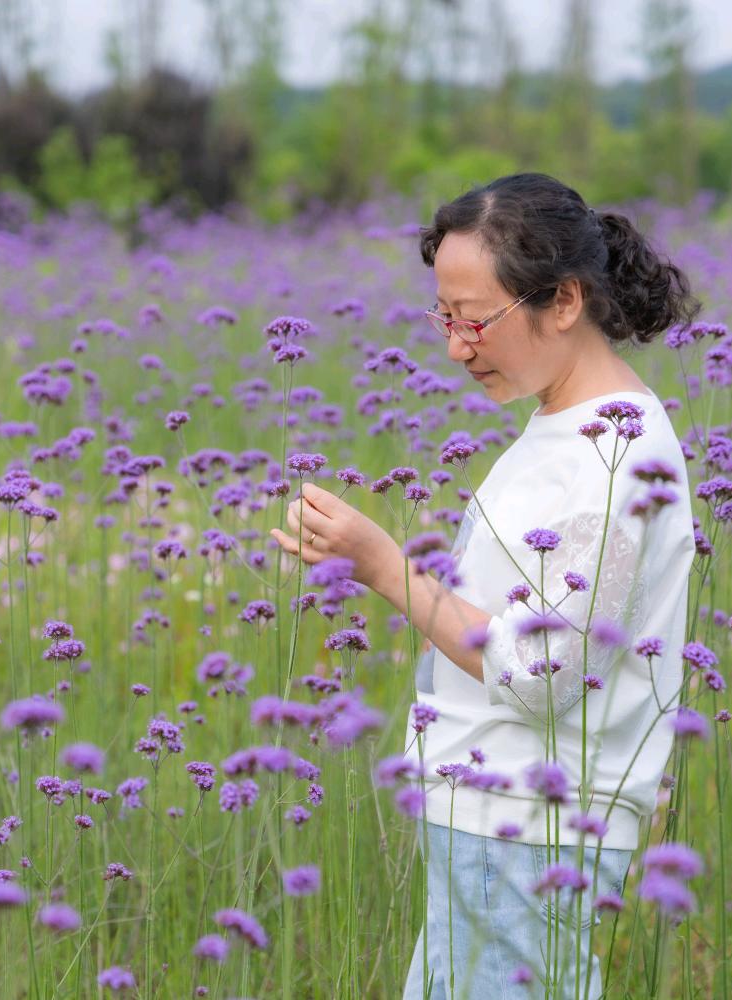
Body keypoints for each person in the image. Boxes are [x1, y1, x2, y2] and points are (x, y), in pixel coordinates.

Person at [270, 172, 702, 998]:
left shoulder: (615, 457)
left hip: (530, 831)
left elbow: (546, 674)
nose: (456, 347)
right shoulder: (568, 428)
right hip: (495, 815)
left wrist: (383, 567)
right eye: (444, 318)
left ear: (564, 301)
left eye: (475, 321)